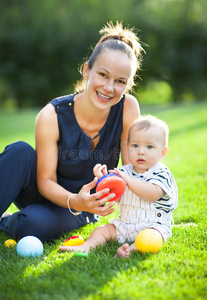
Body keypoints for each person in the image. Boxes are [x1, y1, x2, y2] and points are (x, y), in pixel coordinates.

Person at [0, 22, 144, 242]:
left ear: (128, 84)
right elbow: (45, 180)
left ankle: (8, 221)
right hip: (45, 190)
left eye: (120, 81)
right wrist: (73, 199)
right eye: (103, 75)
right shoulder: (51, 115)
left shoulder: (128, 108)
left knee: (31, 224)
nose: (109, 87)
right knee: (18, 151)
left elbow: (129, 171)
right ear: (87, 70)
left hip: (82, 207)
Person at [59, 115, 178, 258]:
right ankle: (87, 246)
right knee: (101, 231)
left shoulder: (161, 172)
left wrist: (128, 181)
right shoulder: (124, 172)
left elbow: (153, 193)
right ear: (127, 147)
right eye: (135, 145)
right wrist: (103, 179)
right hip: (125, 225)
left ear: (163, 152)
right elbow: (112, 196)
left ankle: (130, 250)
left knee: (149, 240)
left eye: (149, 146)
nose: (141, 151)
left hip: (153, 226)